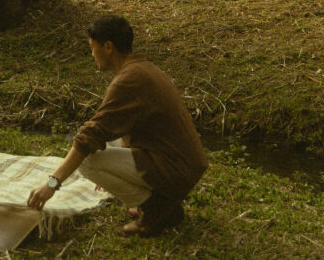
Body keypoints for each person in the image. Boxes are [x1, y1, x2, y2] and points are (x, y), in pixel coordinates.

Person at [27, 15, 208, 236]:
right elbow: (121, 126)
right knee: (102, 145)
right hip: (179, 162)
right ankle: (155, 200)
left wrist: (52, 184)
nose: (92, 55)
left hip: (176, 170)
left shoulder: (129, 80)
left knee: (88, 161)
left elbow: (88, 137)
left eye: (93, 48)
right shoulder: (140, 68)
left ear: (108, 47)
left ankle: (158, 209)